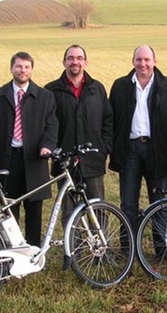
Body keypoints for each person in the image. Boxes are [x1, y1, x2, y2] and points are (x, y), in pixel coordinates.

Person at [109, 45, 167, 235]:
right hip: (129, 151)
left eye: (147, 60)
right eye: (139, 59)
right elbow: (112, 120)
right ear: (133, 61)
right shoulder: (120, 86)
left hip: (157, 151)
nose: (143, 64)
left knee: (160, 203)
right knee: (128, 204)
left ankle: (162, 248)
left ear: (154, 61)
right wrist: (114, 148)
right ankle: (128, 248)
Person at [0, 51, 58, 247]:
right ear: (11, 68)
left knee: (34, 207)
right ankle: (12, 250)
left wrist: (47, 146)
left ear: (32, 70)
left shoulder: (45, 97)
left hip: (34, 160)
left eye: (27, 67)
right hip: (8, 160)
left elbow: (52, 125)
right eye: (18, 66)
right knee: (9, 208)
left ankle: (33, 250)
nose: (22, 70)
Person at [44, 44, 113, 227]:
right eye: (71, 58)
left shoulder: (97, 89)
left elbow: (108, 120)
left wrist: (104, 147)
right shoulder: (51, 90)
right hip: (65, 161)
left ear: (86, 62)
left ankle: (100, 252)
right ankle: (73, 252)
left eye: (79, 58)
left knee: (97, 210)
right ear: (64, 62)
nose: (75, 62)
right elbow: (46, 124)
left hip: (92, 160)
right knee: (69, 211)